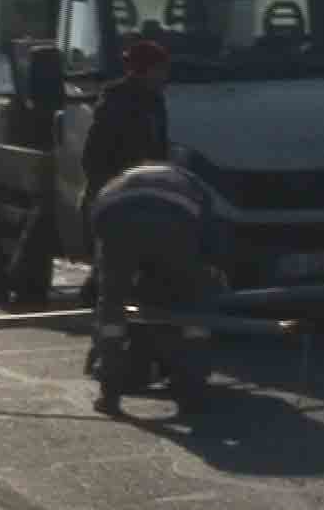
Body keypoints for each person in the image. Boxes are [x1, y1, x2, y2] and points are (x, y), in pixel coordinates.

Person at [84, 163, 227, 417]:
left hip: (114, 218)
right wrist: (208, 273)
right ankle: (191, 392)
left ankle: (110, 395)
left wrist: (112, 281)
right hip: (172, 222)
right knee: (193, 307)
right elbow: (210, 242)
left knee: (111, 311)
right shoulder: (195, 186)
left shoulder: (119, 179)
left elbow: (96, 232)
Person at [72, 40, 172, 306]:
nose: (165, 75)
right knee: (112, 258)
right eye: (160, 69)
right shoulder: (117, 100)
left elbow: (159, 146)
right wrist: (111, 186)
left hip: (146, 184)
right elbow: (95, 154)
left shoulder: (156, 100)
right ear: (145, 70)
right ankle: (98, 306)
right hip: (118, 187)